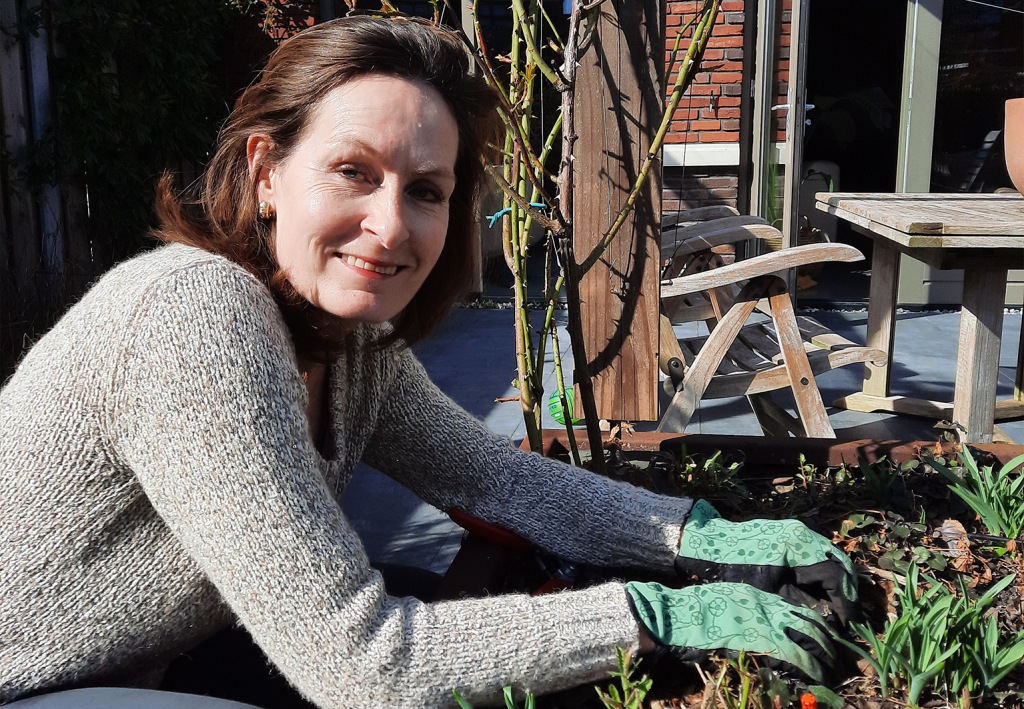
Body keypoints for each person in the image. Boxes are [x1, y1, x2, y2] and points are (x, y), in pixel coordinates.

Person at [0, 16, 856, 709]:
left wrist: (698, 537)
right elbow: (364, 666)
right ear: (267, 172)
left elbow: (499, 479)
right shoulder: (194, 314)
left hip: (148, 658)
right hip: (37, 684)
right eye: (352, 172)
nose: (391, 225)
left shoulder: (346, 342)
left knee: (445, 603)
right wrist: (652, 613)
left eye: (425, 190)